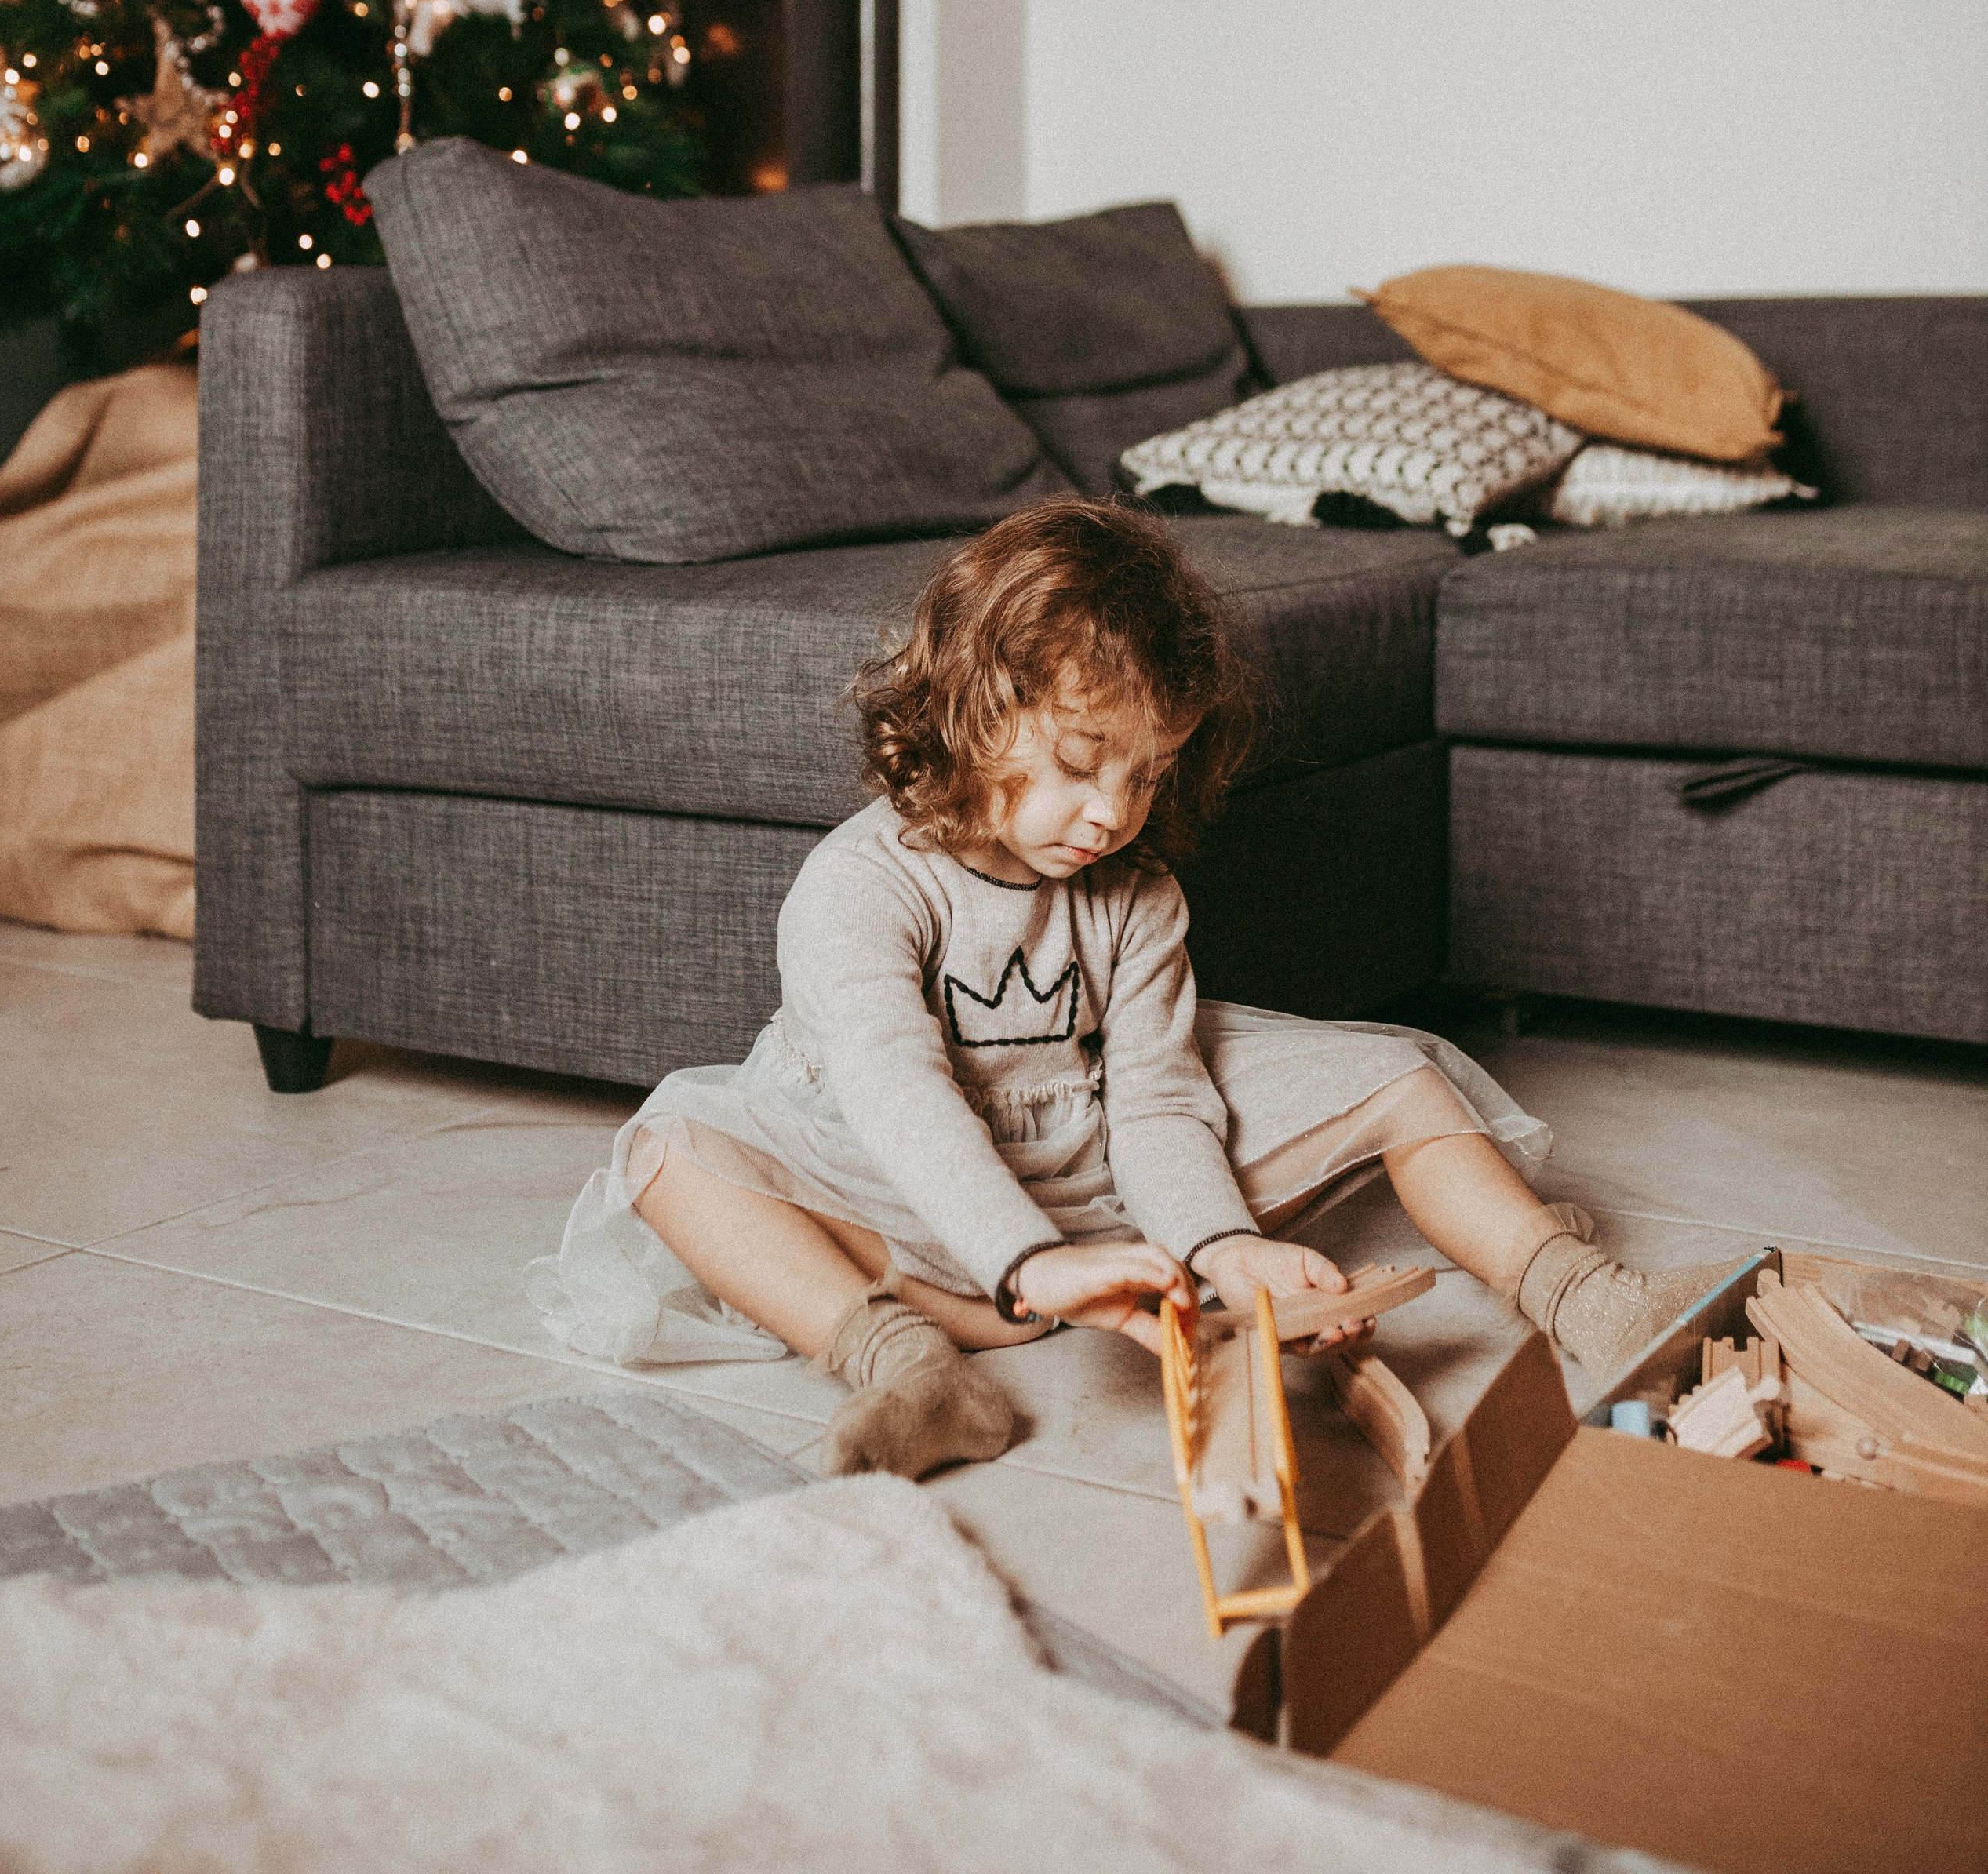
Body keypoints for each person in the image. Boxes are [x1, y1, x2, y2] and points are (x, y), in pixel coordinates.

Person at [527, 499, 1730, 1478]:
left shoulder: (1135, 892)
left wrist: (1220, 1248)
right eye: (1079, 764)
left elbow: (1157, 1099)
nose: (1112, 811)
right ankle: (910, 1361)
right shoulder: (858, 888)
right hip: (900, 1179)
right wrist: (1027, 1260)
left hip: (1092, 1156)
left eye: (1149, 774)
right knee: (673, 1149)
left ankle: (1582, 1291)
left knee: (1403, 1078)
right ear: (966, 709)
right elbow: (894, 1094)